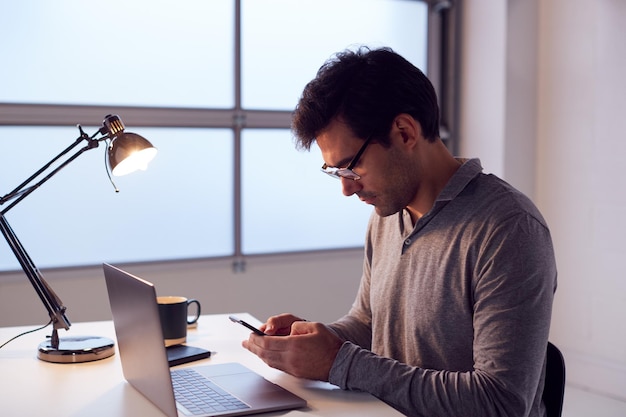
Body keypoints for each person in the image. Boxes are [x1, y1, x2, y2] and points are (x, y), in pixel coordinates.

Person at [242, 47, 557, 417]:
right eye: (335, 172)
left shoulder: (509, 230)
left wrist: (338, 362)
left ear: (405, 132)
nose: (346, 189)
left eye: (350, 167)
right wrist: (312, 342)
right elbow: (368, 324)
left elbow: (499, 403)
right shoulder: (387, 213)